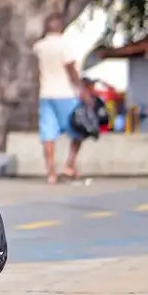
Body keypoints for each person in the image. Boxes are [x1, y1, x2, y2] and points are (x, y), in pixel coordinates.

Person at [32, 14, 89, 183]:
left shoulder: (39, 46)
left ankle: (50, 172)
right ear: (61, 28)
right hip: (66, 94)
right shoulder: (65, 45)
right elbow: (70, 67)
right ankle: (69, 164)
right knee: (78, 128)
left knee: (48, 134)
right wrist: (82, 89)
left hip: (46, 94)